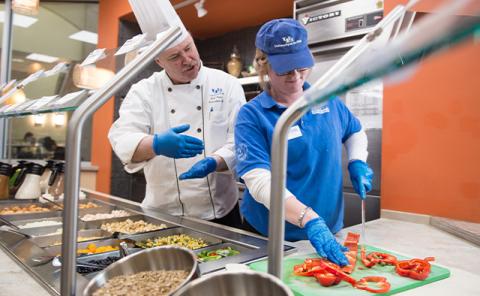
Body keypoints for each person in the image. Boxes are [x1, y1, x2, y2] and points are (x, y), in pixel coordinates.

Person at [234, 19, 374, 266]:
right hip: (272, 235)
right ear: (263, 65)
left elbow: (355, 130)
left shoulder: (327, 100)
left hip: (328, 227)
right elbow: (259, 181)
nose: (296, 76)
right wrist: (307, 218)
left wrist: (357, 160)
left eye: (301, 66)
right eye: (286, 69)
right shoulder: (252, 115)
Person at [108, 28, 246, 228]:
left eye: (189, 48)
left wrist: (214, 162)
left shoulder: (227, 84)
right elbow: (122, 140)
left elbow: (240, 140)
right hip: (162, 215)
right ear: (159, 61)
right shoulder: (143, 91)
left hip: (221, 213)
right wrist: (156, 144)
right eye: (174, 57)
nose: (187, 59)